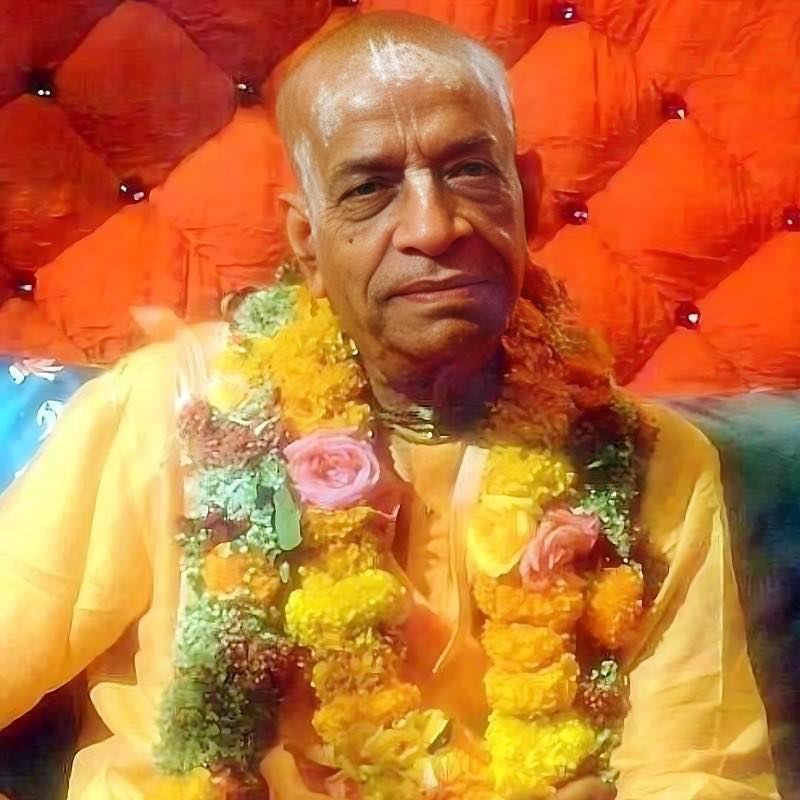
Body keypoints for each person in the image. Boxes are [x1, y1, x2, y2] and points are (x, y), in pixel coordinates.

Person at [0, 11, 779, 800]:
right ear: (307, 239)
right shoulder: (171, 410)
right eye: (369, 189)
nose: (433, 227)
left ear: (529, 196)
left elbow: (699, 774)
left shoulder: (646, 463)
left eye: (468, 171)